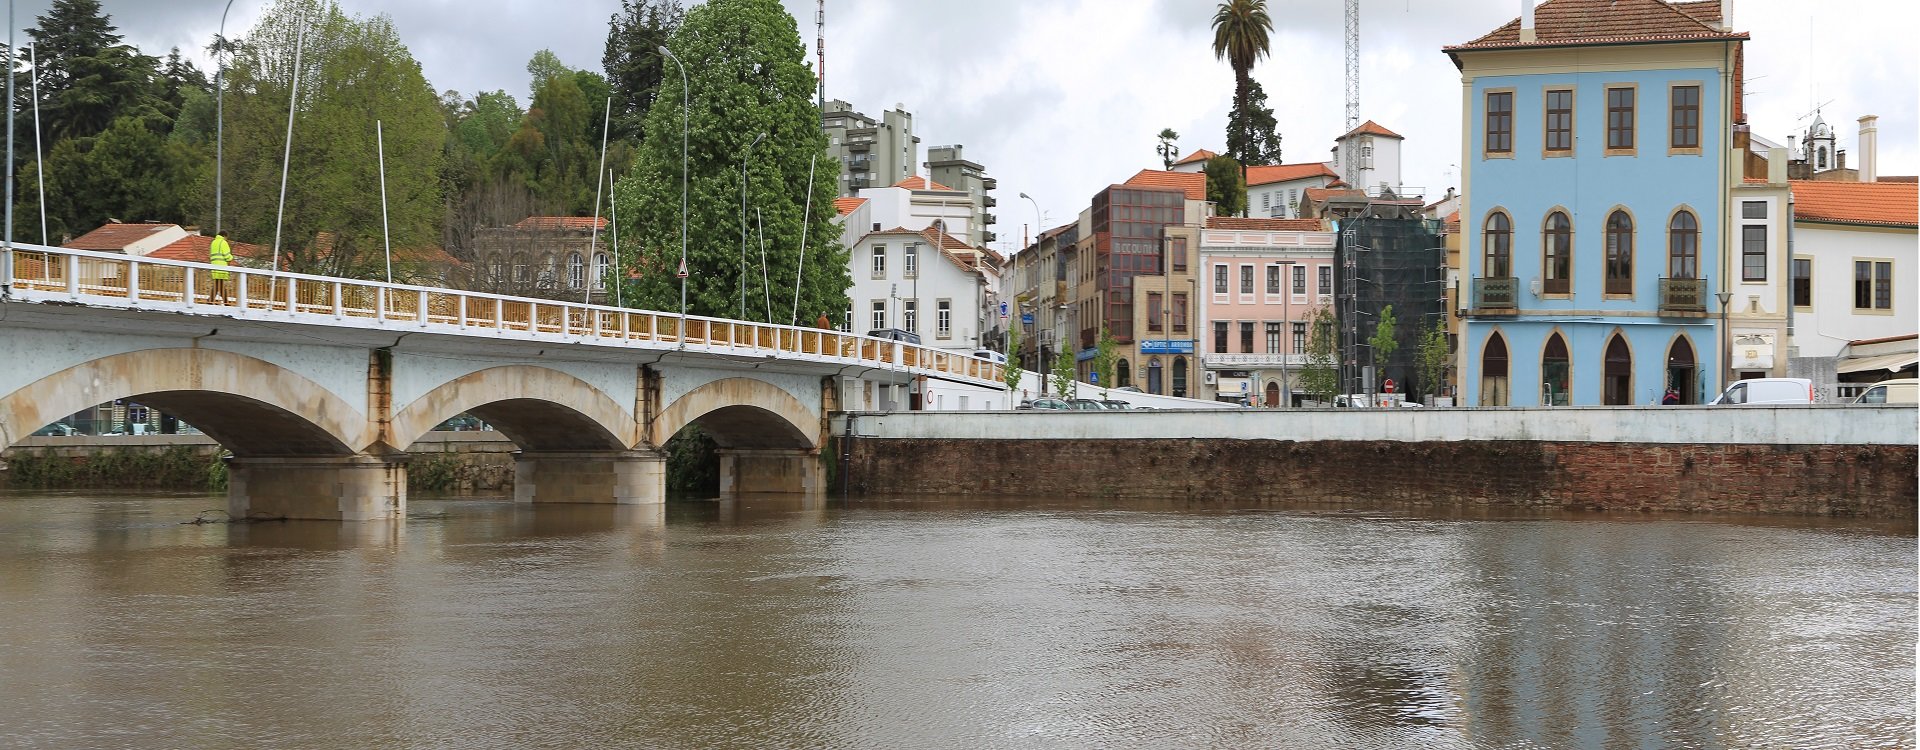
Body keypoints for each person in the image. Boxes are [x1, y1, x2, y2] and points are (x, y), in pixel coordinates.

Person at [208, 233, 234, 305]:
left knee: (219, 284)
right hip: (221, 266)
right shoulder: (223, 242)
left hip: (214, 266)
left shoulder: (213, 242)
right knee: (219, 284)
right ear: (224, 236)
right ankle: (224, 302)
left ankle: (223, 301)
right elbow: (227, 255)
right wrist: (231, 258)